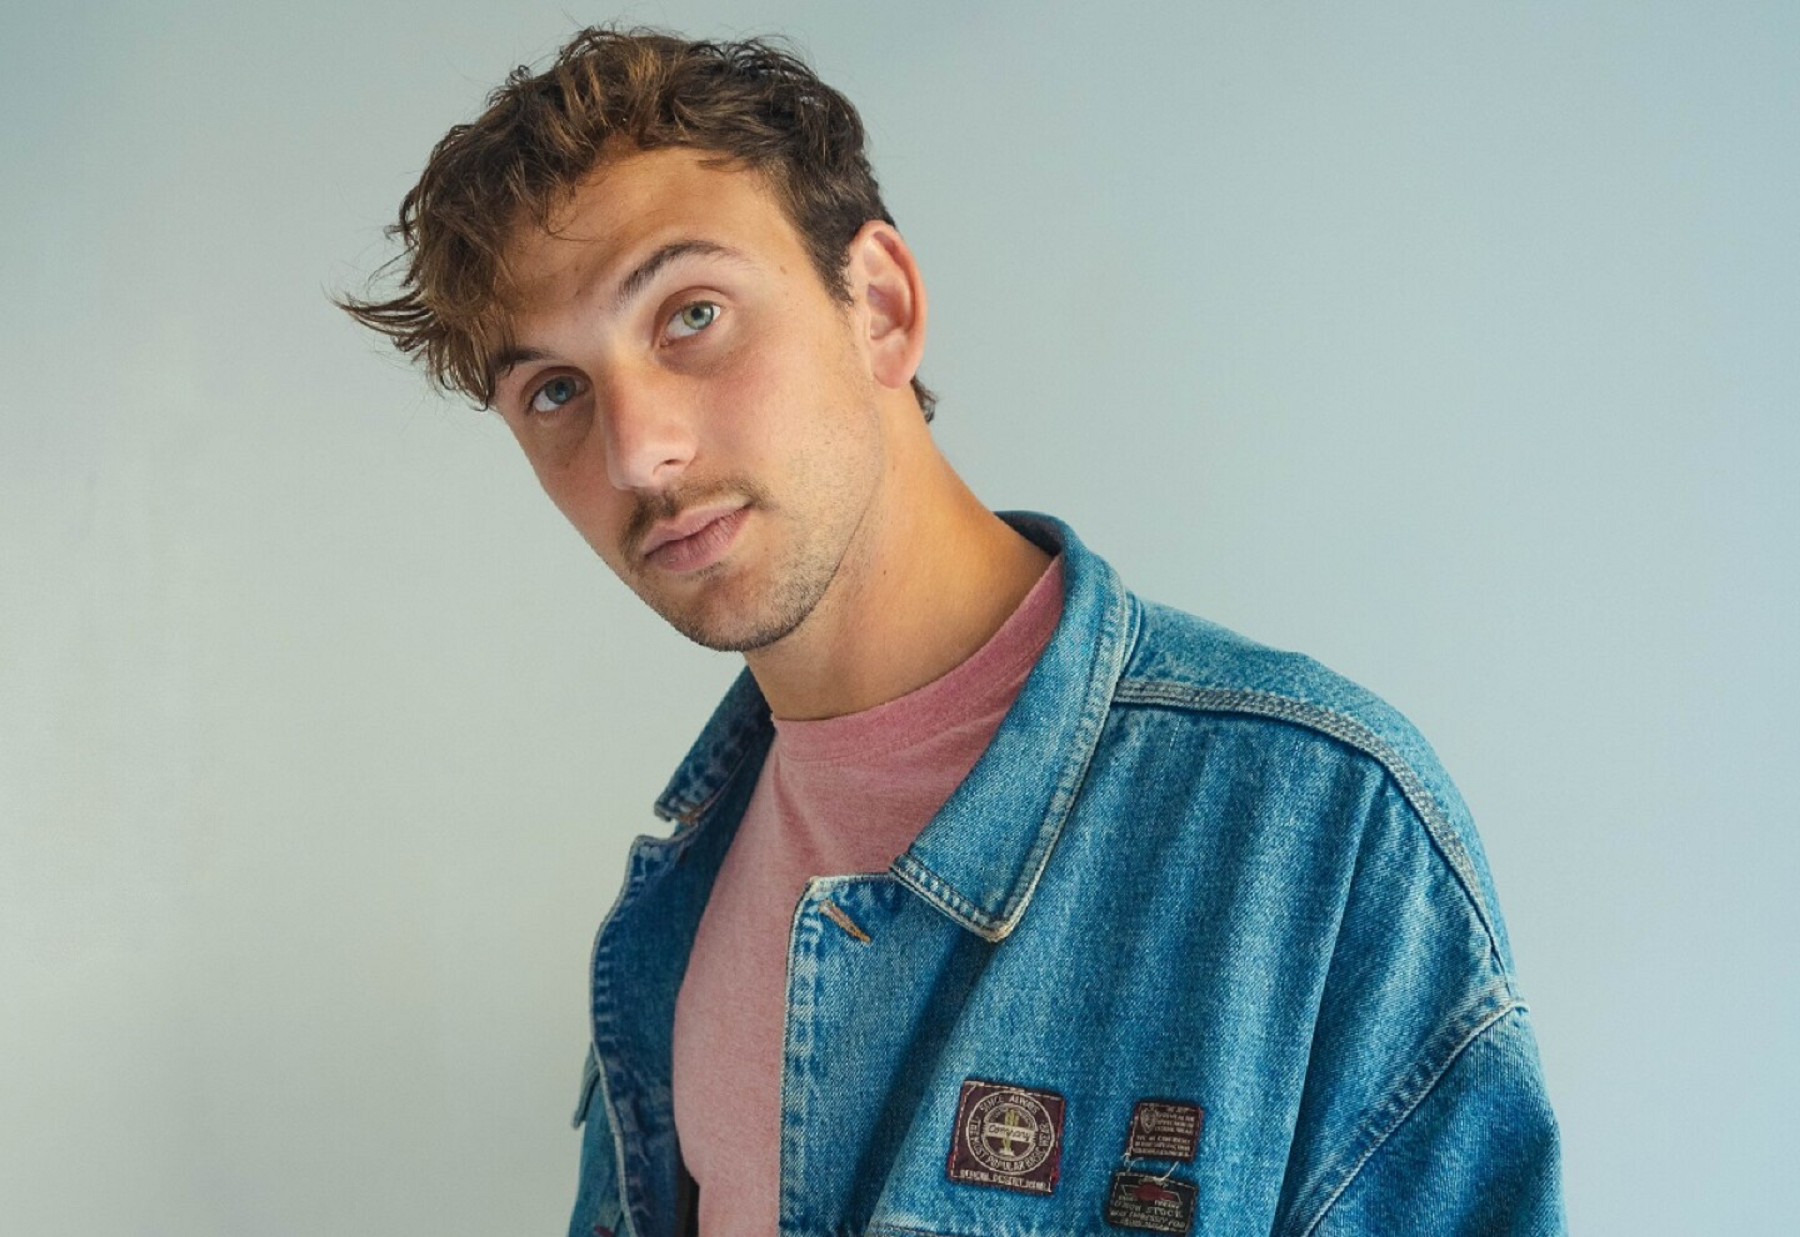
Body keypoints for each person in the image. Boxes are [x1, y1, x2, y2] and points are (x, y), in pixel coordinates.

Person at [339, 26, 1565, 1237]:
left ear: (880, 305)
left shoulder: (1315, 827)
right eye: (555, 390)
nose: (637, 450)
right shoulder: (674, 900)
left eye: (691, 314)